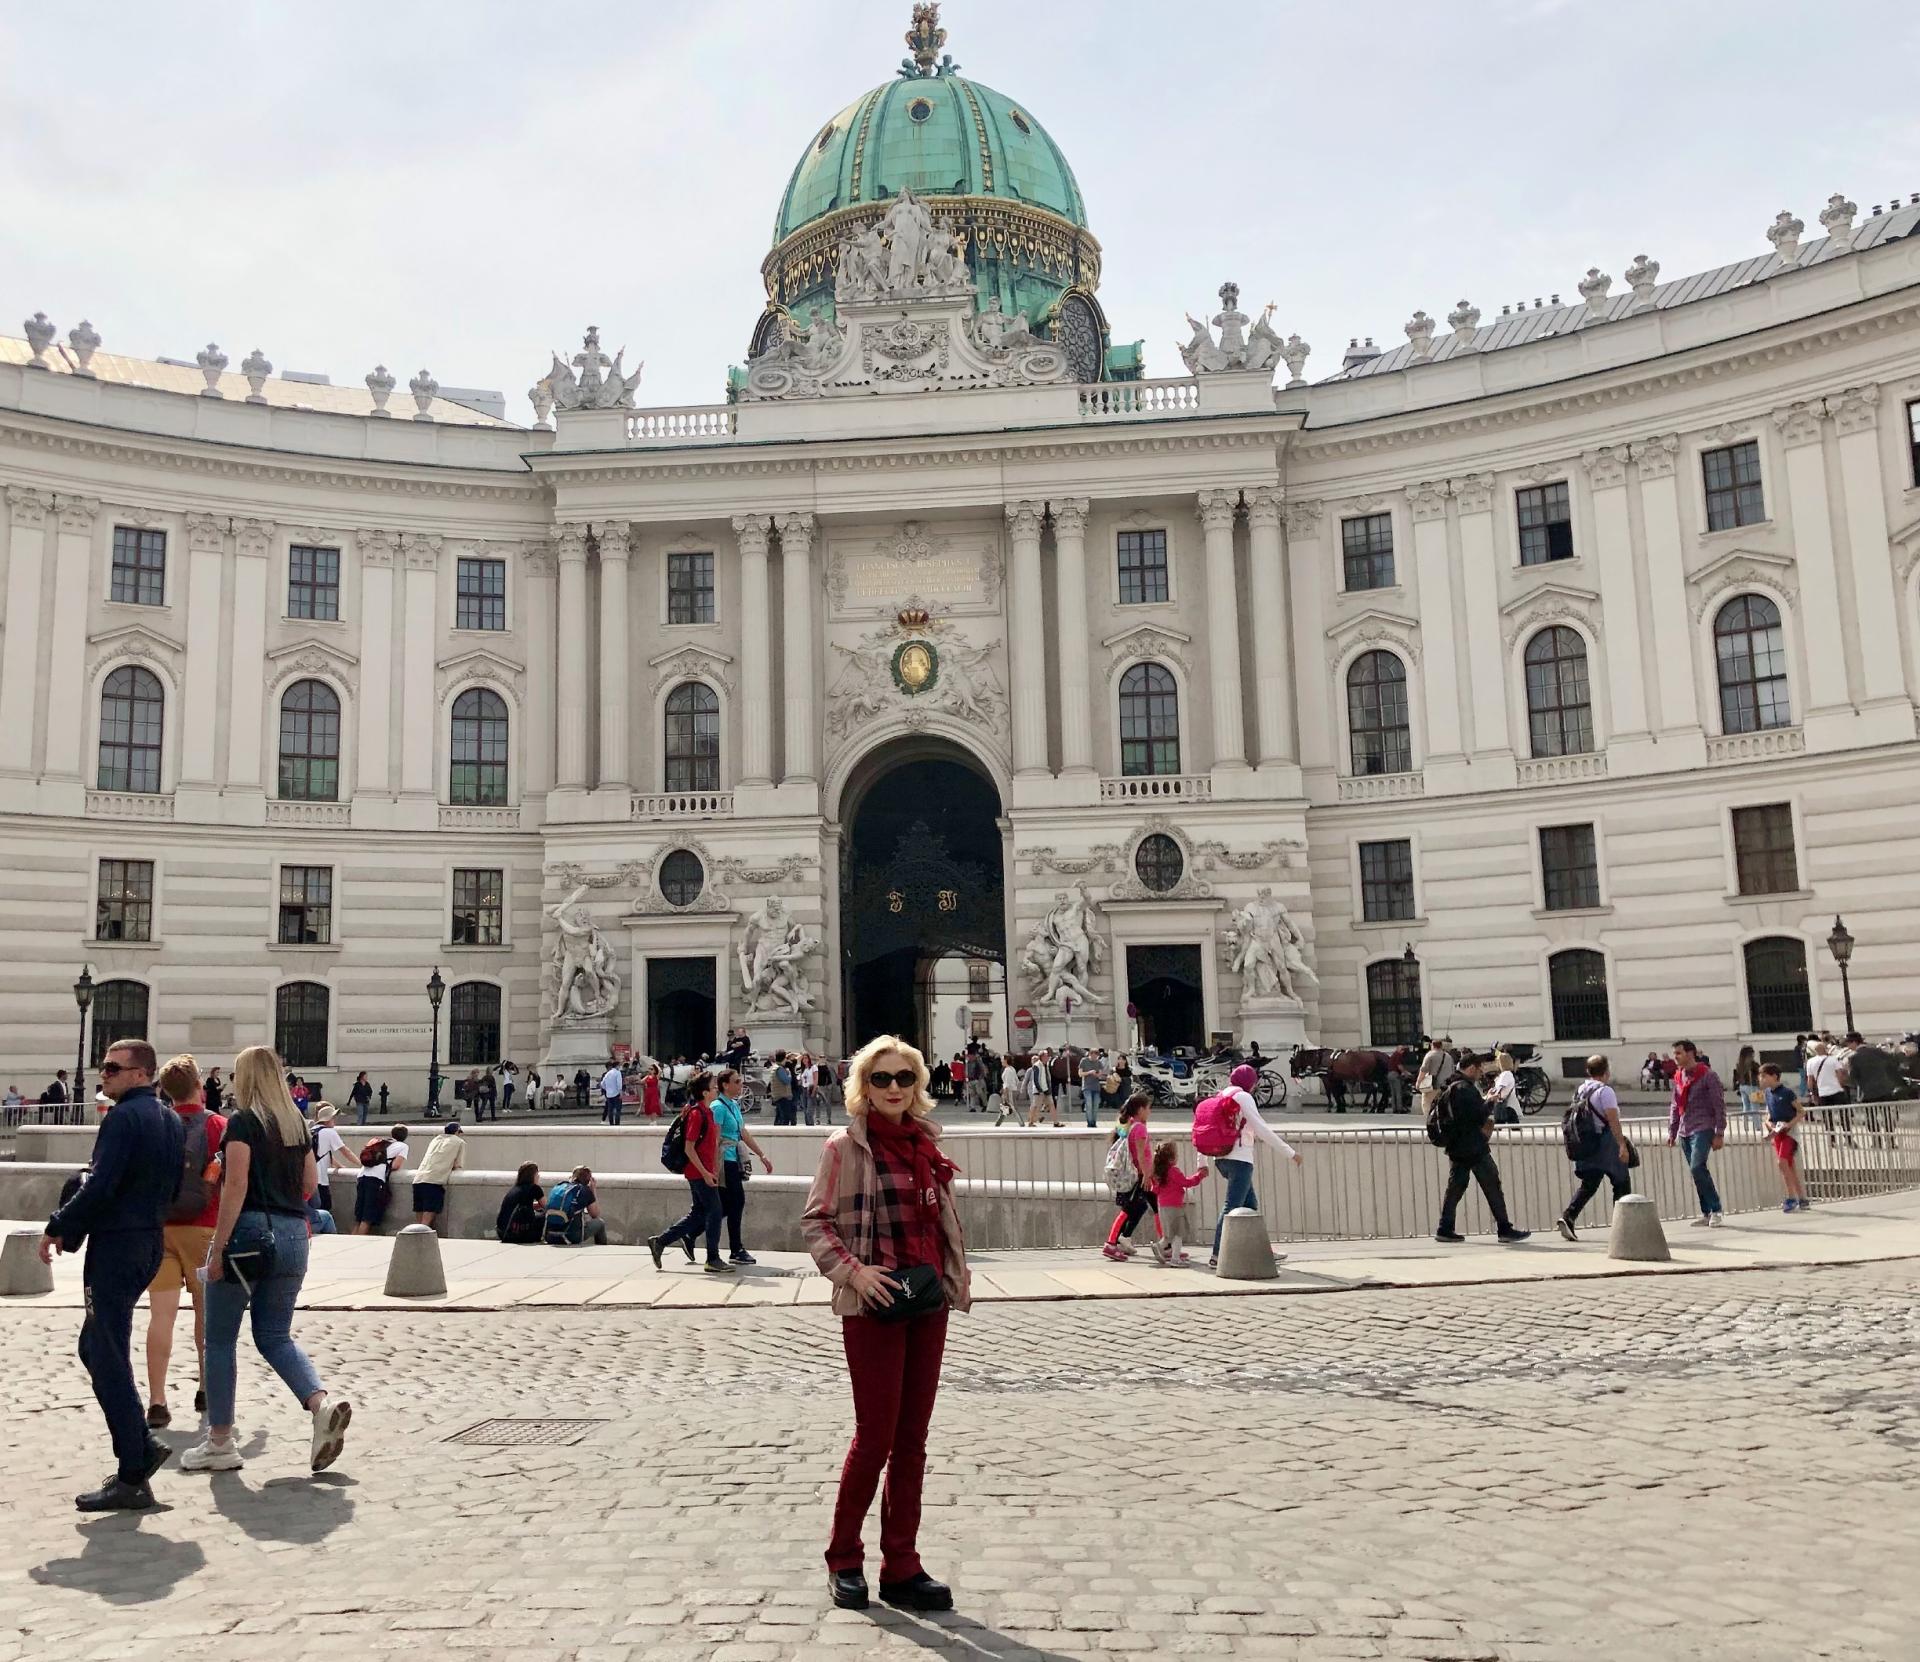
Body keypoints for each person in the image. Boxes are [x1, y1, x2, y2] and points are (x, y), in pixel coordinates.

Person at [801, 1034, 968, 1614]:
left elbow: (941, 1223)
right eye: (881, 1078)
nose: (894, 1088)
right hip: (874, 1304)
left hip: (926, 1301)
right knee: (875, 1437)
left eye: (904, 1078)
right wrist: (853, 1273)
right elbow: (816, 1222)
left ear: (917, 1085)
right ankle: (844, 1557)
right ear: (863, 1087)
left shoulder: (926, 1144)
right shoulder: (844, 1148)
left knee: (912, 1441)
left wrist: (954, 1277)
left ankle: (902, 1565)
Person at [183, 1045, 351, 1475]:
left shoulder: (243, 1122)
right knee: (275, 1335)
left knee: (220, 1340)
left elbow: (236, 1185)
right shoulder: (296, 1123)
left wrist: (219, 1247)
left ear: (245, 1079)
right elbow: (309, 1185)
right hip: (295, 1234)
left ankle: (220, 1441)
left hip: (250, 1233)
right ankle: (320, 1404)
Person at [38, 1039, 184, 1510]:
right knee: (95, 1345)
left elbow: (101, 1183)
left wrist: (58, 1225)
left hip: (118, 1245)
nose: (103, 1075)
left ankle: (132, 1470)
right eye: (103, 1067)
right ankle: (140, 1445)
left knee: (106, 1352)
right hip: (149, 1241)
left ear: (140, 1073)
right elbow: (175, 1186)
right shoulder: (169, 1118)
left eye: (112, 1068)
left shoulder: (123, 1118)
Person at [144, 1055, 225, 1429]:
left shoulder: (154, 1124)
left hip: (160, 1228)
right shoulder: (217, 1125)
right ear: (199, 1085)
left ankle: (157, 1401)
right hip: (204, 1227)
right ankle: (206, 1388)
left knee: (161, 1316)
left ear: (165, 1090)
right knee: (205, 1314)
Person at [1204, 1063, 1304, 1265]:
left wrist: (1202, 1161)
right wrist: (1290, 1153)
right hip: (1240, 1159)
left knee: (1250, 1206)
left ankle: (1263, 1252)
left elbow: (1206, 1129)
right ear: (1250, 1082)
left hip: (1221, 1158)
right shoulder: (1243, 1097)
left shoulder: (1220, 1095)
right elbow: (1261, 1129)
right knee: (1231, 1206)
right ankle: (1217, 1255)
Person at [1433, 1053, 1530, 1244]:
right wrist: (1490, 1101)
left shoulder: (1450, 1085)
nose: (1481, 1074)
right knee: (1492, 1185)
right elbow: (1477, 1116)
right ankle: (1504, 1229)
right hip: (1473, 1146)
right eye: (1479, 1070)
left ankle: (1445, 1228)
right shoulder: (1465, 1088)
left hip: (1457, 1146)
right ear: (1471, 1068)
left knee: (1456, 1187)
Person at [648, 1070, 729, 1272]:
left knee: (699, 1213)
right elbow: (689, 1148)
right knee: (715, 1212)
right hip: (698, 1173)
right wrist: (705, 1173)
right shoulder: (696, 1114)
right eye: (713, 1087)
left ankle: (660, 1241)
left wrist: (713, 1169)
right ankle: (712, 1259)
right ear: (704, 1093)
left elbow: (710, 1145)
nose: (716, 1089)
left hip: (704, 1172)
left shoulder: (707, 1112)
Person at [1554, 1056, 1632, 1242]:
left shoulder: (1581, 1090)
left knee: (1589, 1183)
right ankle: (1623, 1227)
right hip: (1605, 1143)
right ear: (1606, 1071)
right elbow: (1612, 1119)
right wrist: (1622, 1144)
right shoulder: (1605, 1091)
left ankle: (1569, 1216)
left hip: (1586, 1143)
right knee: (1621, 1182)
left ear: (1588, 1071)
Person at [714, 1065, 776, 1265]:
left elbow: (743, 1133)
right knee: (735, 1202)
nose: (741, 1084)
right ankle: (736, 1249)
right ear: (725, 1085)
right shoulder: (718, 1107)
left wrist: (761, 1155)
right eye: (737, 1081)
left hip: (734, 1160)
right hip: (725, 1161)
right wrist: (713, 1169)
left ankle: (689, 1233)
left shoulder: (733, 1105)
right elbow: (714, 1140)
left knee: (726, 1205)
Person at [1667, 1039, 1726, 1227]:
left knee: (1697, 1167)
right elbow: (1675, 1105)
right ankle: (1706, 1212)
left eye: (1679, 1053)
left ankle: (1716, 1209)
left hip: (1703, 1127)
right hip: (1685, 1130)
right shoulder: (1679, 1076)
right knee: (1696, 1172)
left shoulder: (1708, 1075)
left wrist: (1719, 1132)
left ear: (1690, 1053)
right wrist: (1672, 1130)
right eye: (1674, 1053)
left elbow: (1718, 1104)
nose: (1675, 1057)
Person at [1101, 1095, 1166, 1262]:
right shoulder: (1140, 1129)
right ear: (1140, 1110)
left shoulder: (1131, 1126)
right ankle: (1111, 1243)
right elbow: (1141, 1155)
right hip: (1141, 1176)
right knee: (1130, 1209)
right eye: (1148, 1108)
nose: (1150, 1112)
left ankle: (1165, 1244)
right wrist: (1146, 1175)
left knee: (1152, 1206)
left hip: (1141, 1175)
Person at [1150, 1140, 1209, 1266]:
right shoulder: (1173, 1171)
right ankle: (1175, 1259)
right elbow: (1186, 1182)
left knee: (1168, 1235)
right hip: (1175, 1207)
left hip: (1162, 1206)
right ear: (1171, 1158)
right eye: (1176, 1154)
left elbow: (1155, 1189)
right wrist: (1200, 1176)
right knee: (1178, 1234)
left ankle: (1159, 1246)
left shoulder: (1158, 1173)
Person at [1762, 1063, 1809, 1213]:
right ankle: (1802, 1198)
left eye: (1764, 1076)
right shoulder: (1767, 1093)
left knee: (1782, 1162)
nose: (1761, 1079)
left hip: (1790, 1134)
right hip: (1777, 1134)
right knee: (1789, 1167)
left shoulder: (1787, 1093)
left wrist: (1789, 1125)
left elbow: (1801, 1111)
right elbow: (1768, 1114)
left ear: (1774, 1076)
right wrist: (1769, 1125)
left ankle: (1791, 1197)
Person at [352, 1124, 409, 1235]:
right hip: (375, 1179)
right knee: (367, 1217)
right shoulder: (403, 1146)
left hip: (362, 1176)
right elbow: (396, 1165)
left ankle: (351, 1240)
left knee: (359, 1217)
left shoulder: (382, 1143)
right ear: (405, 1136)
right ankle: (359, 1241)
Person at [412, 1119, 466, 1230]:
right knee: (429, 1212)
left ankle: (416, 1233)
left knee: (419, 1210)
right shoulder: (459, 1142)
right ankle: (422, 1235)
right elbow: (457, 1164)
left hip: (418, 1178)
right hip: (434, 1180)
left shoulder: (435, 1139)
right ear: (457, 1132)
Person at [543, 1165, 610, 1245]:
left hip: (550, 1235)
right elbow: (595, 1214)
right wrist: (593, 1190)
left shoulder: (559, 1187)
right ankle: (601, 1247)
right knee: (600, 1223)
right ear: (589, 1180)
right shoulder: (585, 1190)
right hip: (571, 1237)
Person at [309, 1101, 351, 1226]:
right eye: (333, 1118)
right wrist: (362, 1164)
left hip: (309, 1177)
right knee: (324, 1210)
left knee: (313, 1212)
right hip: (320, 1179)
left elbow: (322, 1154)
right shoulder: (329, 1132)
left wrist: (339, 1166)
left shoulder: (312, 1131)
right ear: (328, 1119)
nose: (335, 1121)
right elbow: (346, 1151)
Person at [497, 1162, 546, 1242]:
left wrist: (537, 1205)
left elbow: (521, 1205)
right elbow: (547, 1206)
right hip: (518, 1234)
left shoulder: (515, 1188)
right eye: (537, 1174)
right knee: (545, 1215)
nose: (539, 1176)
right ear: (532, 1176)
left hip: (502, 1232)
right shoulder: (535, 1188)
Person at [1023, 1050, 1057, 1129]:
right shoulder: (1037, 1066)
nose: (1048, 1057)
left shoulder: (1046, 1065)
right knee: (1035, 1106)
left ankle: (1056, 1122)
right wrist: (1039, 1089)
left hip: (1046, 1089)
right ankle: (1031, 1122)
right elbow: (1036, 1079)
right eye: (1046, 1056)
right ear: (1042, 1057)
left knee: (1051, 1105)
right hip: (1039, 1090)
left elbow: (1047, 1077)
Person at [1484, 1051, 1520, 1125]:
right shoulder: (1508, 1073)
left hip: (1504, 1104)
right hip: (1508, 1104)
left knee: (1500, 1125)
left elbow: (1499, 1088)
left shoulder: (1505, 1074)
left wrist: (1489, 1097)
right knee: (1511, 1126)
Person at [995, 1054, 1023, 1127]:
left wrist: (1005, 1093)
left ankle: (1021, 1123)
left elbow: (1007, 1083)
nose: (1001, 1061)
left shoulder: (1007, 1070)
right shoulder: (1012, 1069)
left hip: (1009, 1090)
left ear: (1006, 1060)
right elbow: (1016, 1080)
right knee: (1005, 1107)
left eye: (1002, 1059)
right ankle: (998, 1122)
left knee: (1012, 1107)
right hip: (1013, 1089)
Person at [770, 1051, 796, 1126]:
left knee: (779, 1117)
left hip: (777, 1095)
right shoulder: (780, 1069)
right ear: (783, 1058)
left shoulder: (774, 1067)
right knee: (785, 1118)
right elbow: (786, 1081)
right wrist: (789, 1074)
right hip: (783, 1096)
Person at [1078, 1049, 1102, 1128]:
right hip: (1087, 1086)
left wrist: (1096, 1075)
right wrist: (1089, 1072)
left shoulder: (1099, 1062)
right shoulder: (1084, 1061)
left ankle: (1094, 1122)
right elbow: (1080, 1074)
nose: (1094, 1057)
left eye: (1096, 1055)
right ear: (1090, 1054)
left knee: (1095, 1106)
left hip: (1096, 1087)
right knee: (1089, 1105)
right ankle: (1090, 1123)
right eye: (1093, 1055)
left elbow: (1100, 1074)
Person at [599, 1059, 625, 1126]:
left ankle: (611, 1123)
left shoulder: (608, 1073)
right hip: (616, 1093)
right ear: (617, 1066)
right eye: (619, 1066)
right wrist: (621, 1093)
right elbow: (619, 1084)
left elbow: (602, 1084)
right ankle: (617, 1123)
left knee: (610, 1110)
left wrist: (607, 1089)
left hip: (609, 1094)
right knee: (618, 1110)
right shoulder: (617, 1073)